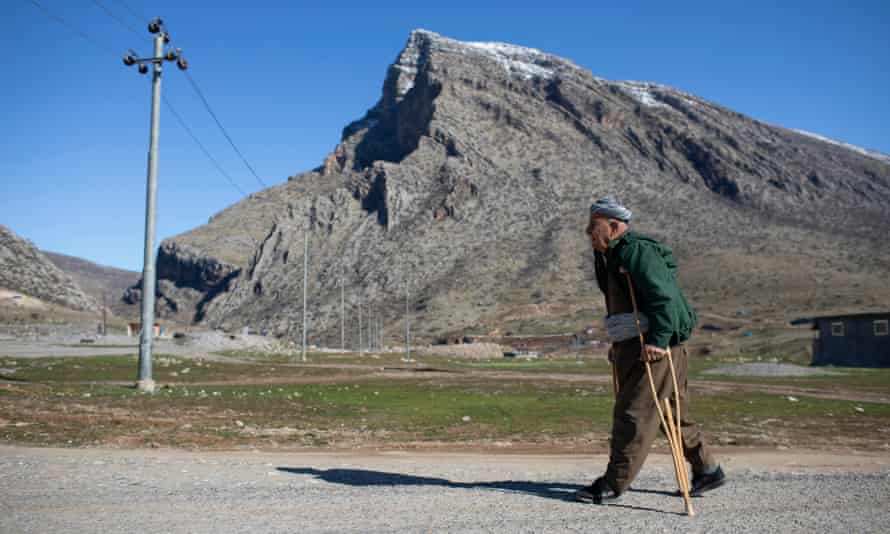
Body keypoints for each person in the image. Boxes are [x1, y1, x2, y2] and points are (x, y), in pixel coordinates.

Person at [575, 197, 726, 504]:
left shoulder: (637, 252)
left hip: (655, 348)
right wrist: (619, 344)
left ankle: (613, 483)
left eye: (594, 225)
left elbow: (664, 299)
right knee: (676, 414)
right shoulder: (612, 256)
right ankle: (708, 469)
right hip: (636, 346)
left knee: (634, 413)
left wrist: (658, 340)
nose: (588, 231)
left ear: (614, 226)